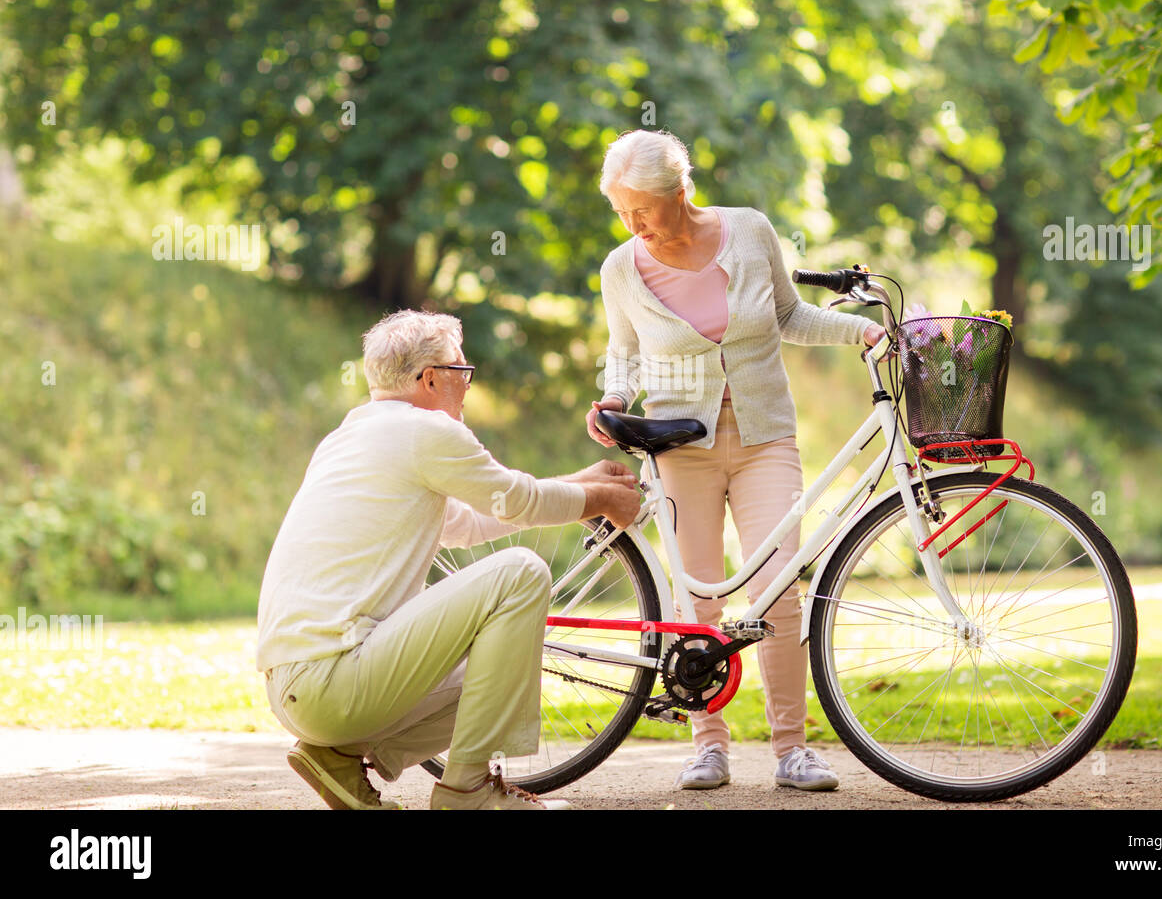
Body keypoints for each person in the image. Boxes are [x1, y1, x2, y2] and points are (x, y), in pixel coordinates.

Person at [585, 129, 887, 792]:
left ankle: (791, 750)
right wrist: (612, 396)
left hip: (763, 439)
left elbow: (789, 315)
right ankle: (709, 745)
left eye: (643, 209)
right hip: (678, 446)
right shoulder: (621, 267)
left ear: (679, 192)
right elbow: (625, 351)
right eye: (622, 213)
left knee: (777, 590)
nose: (635, 225)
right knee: (697, 598)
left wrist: (860, 330)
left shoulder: (749, 232)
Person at [258, 309, 641, 810]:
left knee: (502, 674)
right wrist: (599, 500)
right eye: (462, 372)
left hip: (300, 689)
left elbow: (469, 523)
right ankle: (466, 790)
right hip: (333, 680)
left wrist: (580, 484)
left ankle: (337, 757)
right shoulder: (424, 432)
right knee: (520, 573)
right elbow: (516, 500)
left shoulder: (353, 435)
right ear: (431, 377)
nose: (467, 385)